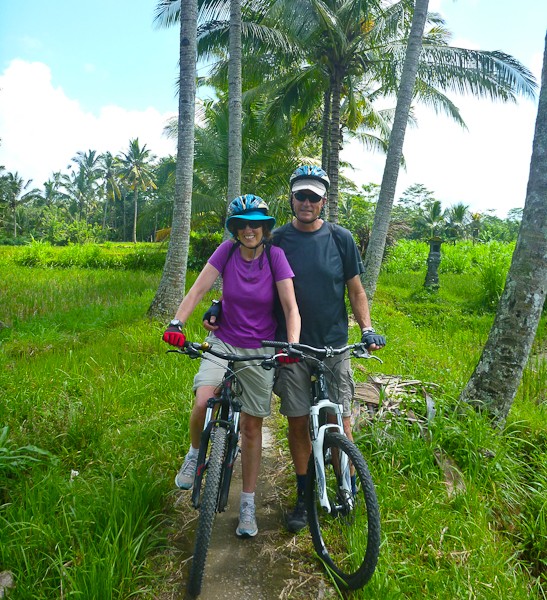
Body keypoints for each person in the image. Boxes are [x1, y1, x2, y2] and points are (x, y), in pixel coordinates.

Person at [163, 194, 300, 538]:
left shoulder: (276, 257)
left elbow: (290, 307)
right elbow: (197, 290)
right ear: (235, 229)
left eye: (256, 223)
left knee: (252, 429)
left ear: (265, 228)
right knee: (201, 401)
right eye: (243, 224)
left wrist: (291, 346)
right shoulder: (225, 252)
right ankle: (195, 453)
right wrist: (177, 324)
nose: (249, 229)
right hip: (223, 341)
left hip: (260, 348)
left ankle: (249, 504)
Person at [271, 165, 386, 533]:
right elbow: (254, 285)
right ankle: (304, 497)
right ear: (292, 198)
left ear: (323, 202)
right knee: (298, 420)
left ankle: (346, 487)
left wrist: (366, 328)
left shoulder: (341, 239)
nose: (306, 202)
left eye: (313, 197)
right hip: (293, 348)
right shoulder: (277, 240)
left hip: (334, 344)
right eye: (300, 195)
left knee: (341, 419)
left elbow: (355, 290)